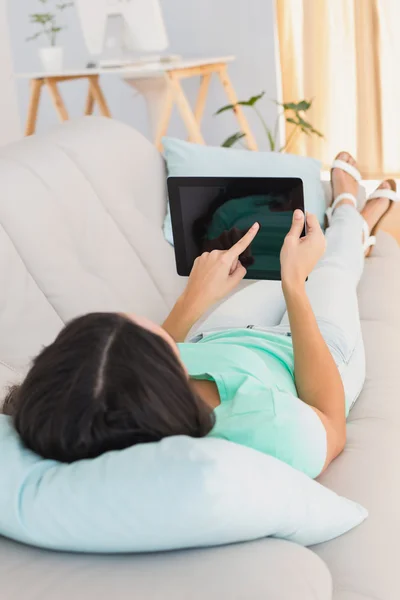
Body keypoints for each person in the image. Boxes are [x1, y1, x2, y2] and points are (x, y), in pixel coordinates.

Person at [3, 152, 398, 478]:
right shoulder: (271, 429)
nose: (157, 331)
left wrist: (194, 298)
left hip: (220, 339)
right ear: (158, 379)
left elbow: (134, 363)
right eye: (149, 337)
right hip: (311, 359)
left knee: (295, 260)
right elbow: (330, 422)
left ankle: (349, 227)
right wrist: (294, 283)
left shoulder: (119, 398)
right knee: (330, 270)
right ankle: (351, 212)